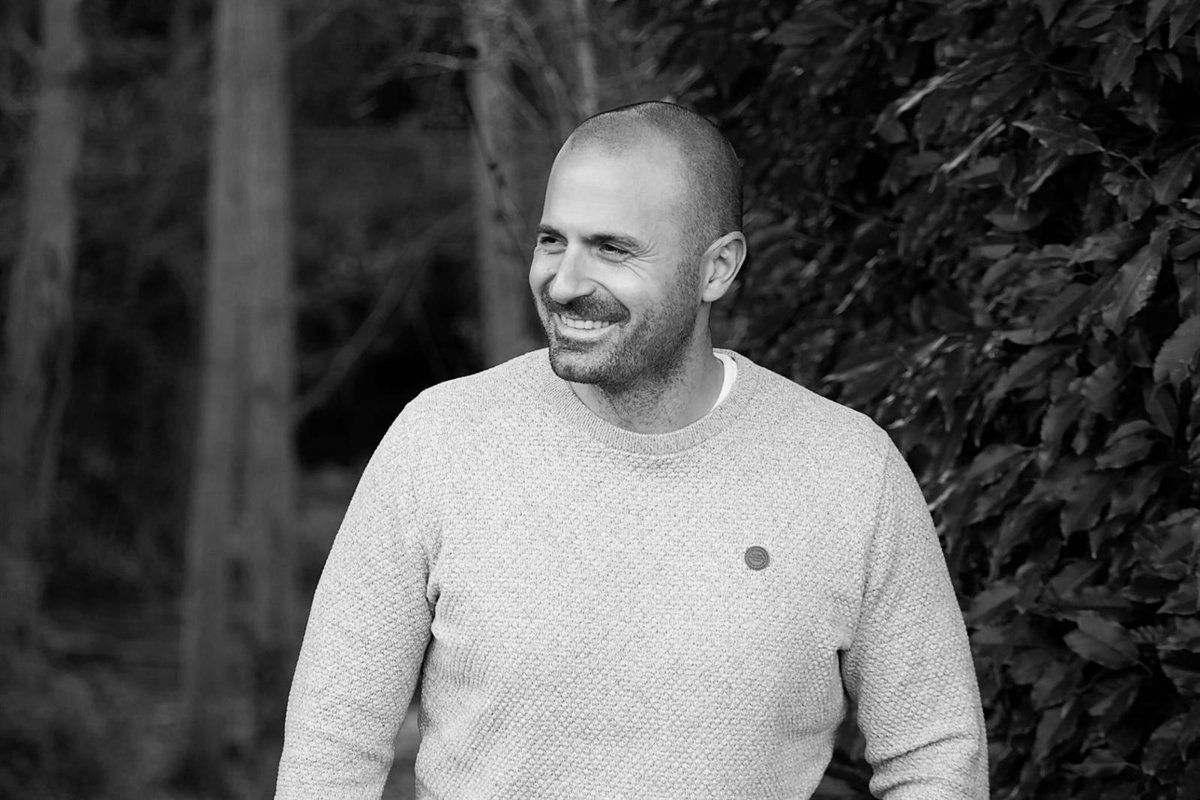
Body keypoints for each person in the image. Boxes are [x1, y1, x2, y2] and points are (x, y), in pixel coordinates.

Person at [275, 101, 988, 799]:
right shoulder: (441, 443)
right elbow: (330, 749)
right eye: (552, 241)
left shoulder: (849, 471)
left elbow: (935, 757)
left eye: (612, 249)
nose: (564, 283)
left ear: (717, 269)